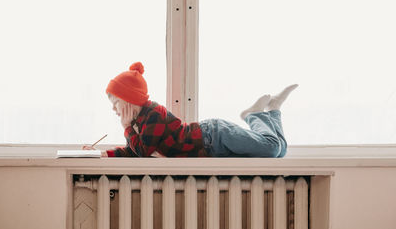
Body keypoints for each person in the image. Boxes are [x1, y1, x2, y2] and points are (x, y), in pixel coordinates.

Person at [83, 62, 298, 158]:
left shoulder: (153, 114)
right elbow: (135, 150)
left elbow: (142, 152)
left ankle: (254, 116)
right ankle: (272, 110)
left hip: (215, 136)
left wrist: (126, 127)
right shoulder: (141, 123)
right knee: (279, 151)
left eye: (115, 102)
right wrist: (103, 154)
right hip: (214, 147)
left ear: (129, 100)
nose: (113, 109)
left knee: (272, 149)